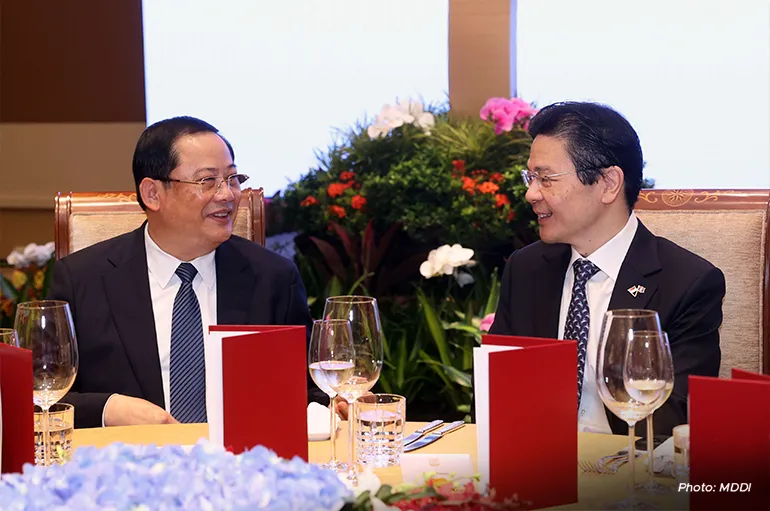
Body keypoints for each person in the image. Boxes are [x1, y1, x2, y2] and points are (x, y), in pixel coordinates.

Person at [49, 116, 316, 428]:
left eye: (232, 179)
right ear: (152, 194)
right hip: (124, 466)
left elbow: (311, 390)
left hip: (240, 467)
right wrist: (108, 408)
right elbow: (42, 396)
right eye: (207, 181)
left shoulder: (273, 278)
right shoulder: (82, 280)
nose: (228, 195)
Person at [489, 101, 724, 436]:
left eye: (546, 178)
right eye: (531, 177)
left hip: (630, 474)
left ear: (609, 183)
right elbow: (495, 393)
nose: (531, 194)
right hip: (534, 469)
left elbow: (677, 420)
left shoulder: (687, 283)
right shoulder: (526, 269)